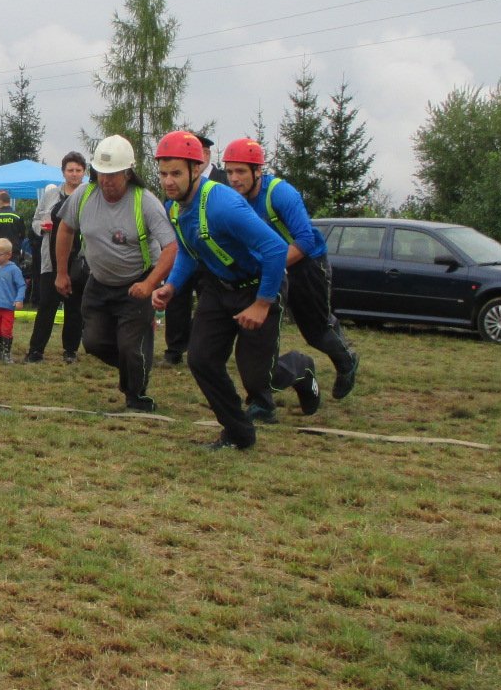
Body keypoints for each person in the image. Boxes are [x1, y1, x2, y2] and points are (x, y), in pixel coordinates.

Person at [151, 131, 319, 452]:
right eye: (163, 173)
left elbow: (274, 249)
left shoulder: (222, 204)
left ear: (196, 169)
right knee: (201, 359)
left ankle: (300, 367)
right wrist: (172, 285)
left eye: (176, 173)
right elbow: (188, 251)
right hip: (219, 288)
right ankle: (238, 433)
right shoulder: (174, 207)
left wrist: (262, 303)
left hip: (259, 285)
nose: (168, 181)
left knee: (258, 379)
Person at [223, 138, 360, 399]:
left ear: (257, 170)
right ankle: (262, 392)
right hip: (270, 267)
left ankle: (346, 361)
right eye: (229, 172)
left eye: (240, 171)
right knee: (260, 326)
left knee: (315, 330)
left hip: (306, 265)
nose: (234, 179)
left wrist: (273, 266)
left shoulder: (281, 193)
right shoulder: (233, 198)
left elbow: (305, 240)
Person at [53, 136, 178, 412]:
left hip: (136, 283)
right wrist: (61, 272)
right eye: (101, 174)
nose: (106, 181)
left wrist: (149, 284)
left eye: (113, 175)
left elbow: (171, 247)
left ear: (128, 173)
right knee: (93, 342)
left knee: (131, 347)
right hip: (98, 282)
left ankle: (136, 396)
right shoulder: (84, 195)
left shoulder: (145, 202)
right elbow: (65, 229)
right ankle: (132, 369)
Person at [23, 150, 88, 364]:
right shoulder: (50, 195)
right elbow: (35, 221)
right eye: (70, 170)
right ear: (63, 172)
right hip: (50, 258)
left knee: (74, 307)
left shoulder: (89, 196)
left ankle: (70, 350)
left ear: (84, 172)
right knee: (46, 305)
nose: (74, 174)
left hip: (79, 259)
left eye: (78, 170)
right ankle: (36, 351)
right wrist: (42, 227)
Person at [162, 134, 217, 365]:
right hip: (184, 252)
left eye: (198, 151)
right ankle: (175, 350)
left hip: (212, 259)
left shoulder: (223, 183)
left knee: (209, 305)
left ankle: (201, 347)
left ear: (207, 155)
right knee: (176, 299)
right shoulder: (174, 183)